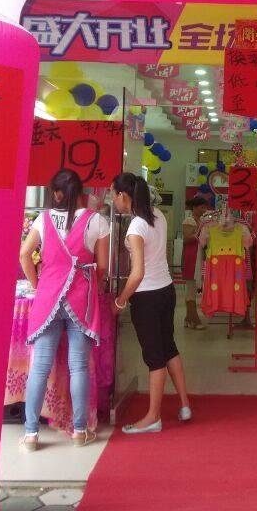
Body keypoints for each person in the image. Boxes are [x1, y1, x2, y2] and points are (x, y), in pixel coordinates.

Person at [18, 169, 109, 451]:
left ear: (56, 194)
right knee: (78, 365)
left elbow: (24, 254)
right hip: (81, 299)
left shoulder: (43, 220)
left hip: (47, 298)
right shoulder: (97, 221)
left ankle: (31, 434)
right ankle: (80, 431)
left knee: (40, 366)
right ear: (80, 192)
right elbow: (102, 267)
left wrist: (38, 284)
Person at [112, 172, 191, 433]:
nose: (113, 200)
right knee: (169, 348)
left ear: (123, 195)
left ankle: (153, 417)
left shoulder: (136, 226)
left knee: (154, 357)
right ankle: (184, 404)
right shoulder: (158, 216)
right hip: (166, 290)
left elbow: (137, 273)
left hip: (146, 296)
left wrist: (120, 301)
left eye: (113, 194)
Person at [181, 195, 211, 330]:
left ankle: (188, 318)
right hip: (190, 257)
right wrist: (200, 233)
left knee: (192, 288)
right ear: (194, 207)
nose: (204, 210)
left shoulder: (200, 221)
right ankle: (194, 319)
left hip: (197, 257)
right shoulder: (189, 220)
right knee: (191, 288)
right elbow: (186, 239)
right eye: (202, 207)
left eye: (205, 207)